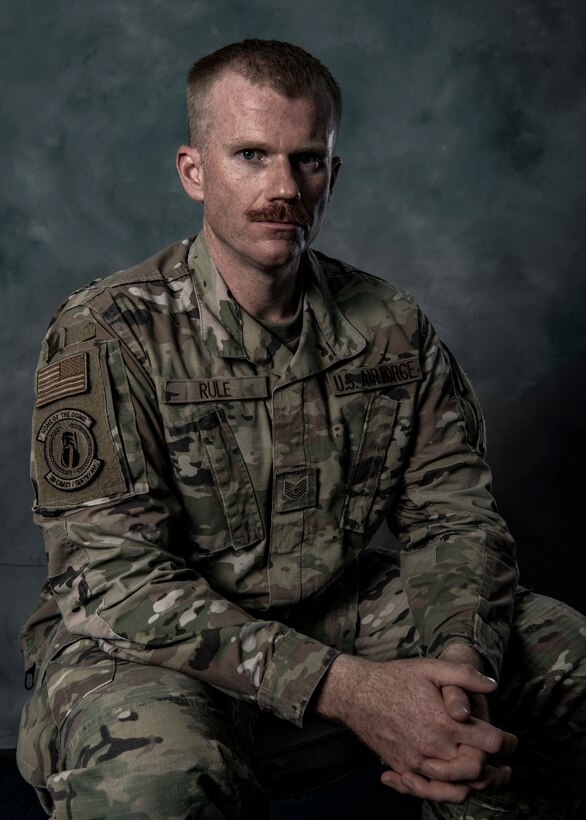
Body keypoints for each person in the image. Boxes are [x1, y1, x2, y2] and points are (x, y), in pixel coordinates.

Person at [16, 38, 585, 820]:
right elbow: (115, 582)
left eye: (306, 160)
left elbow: (453, 516)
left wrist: (457, 665)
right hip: (148, 650)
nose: (283, 187)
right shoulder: (108, 333)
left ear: (332, 173)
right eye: (251, 155)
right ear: (194, 170)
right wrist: (349, 689)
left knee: (563, 663)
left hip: (333, 612)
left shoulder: (390, 326)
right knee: (155, 781)